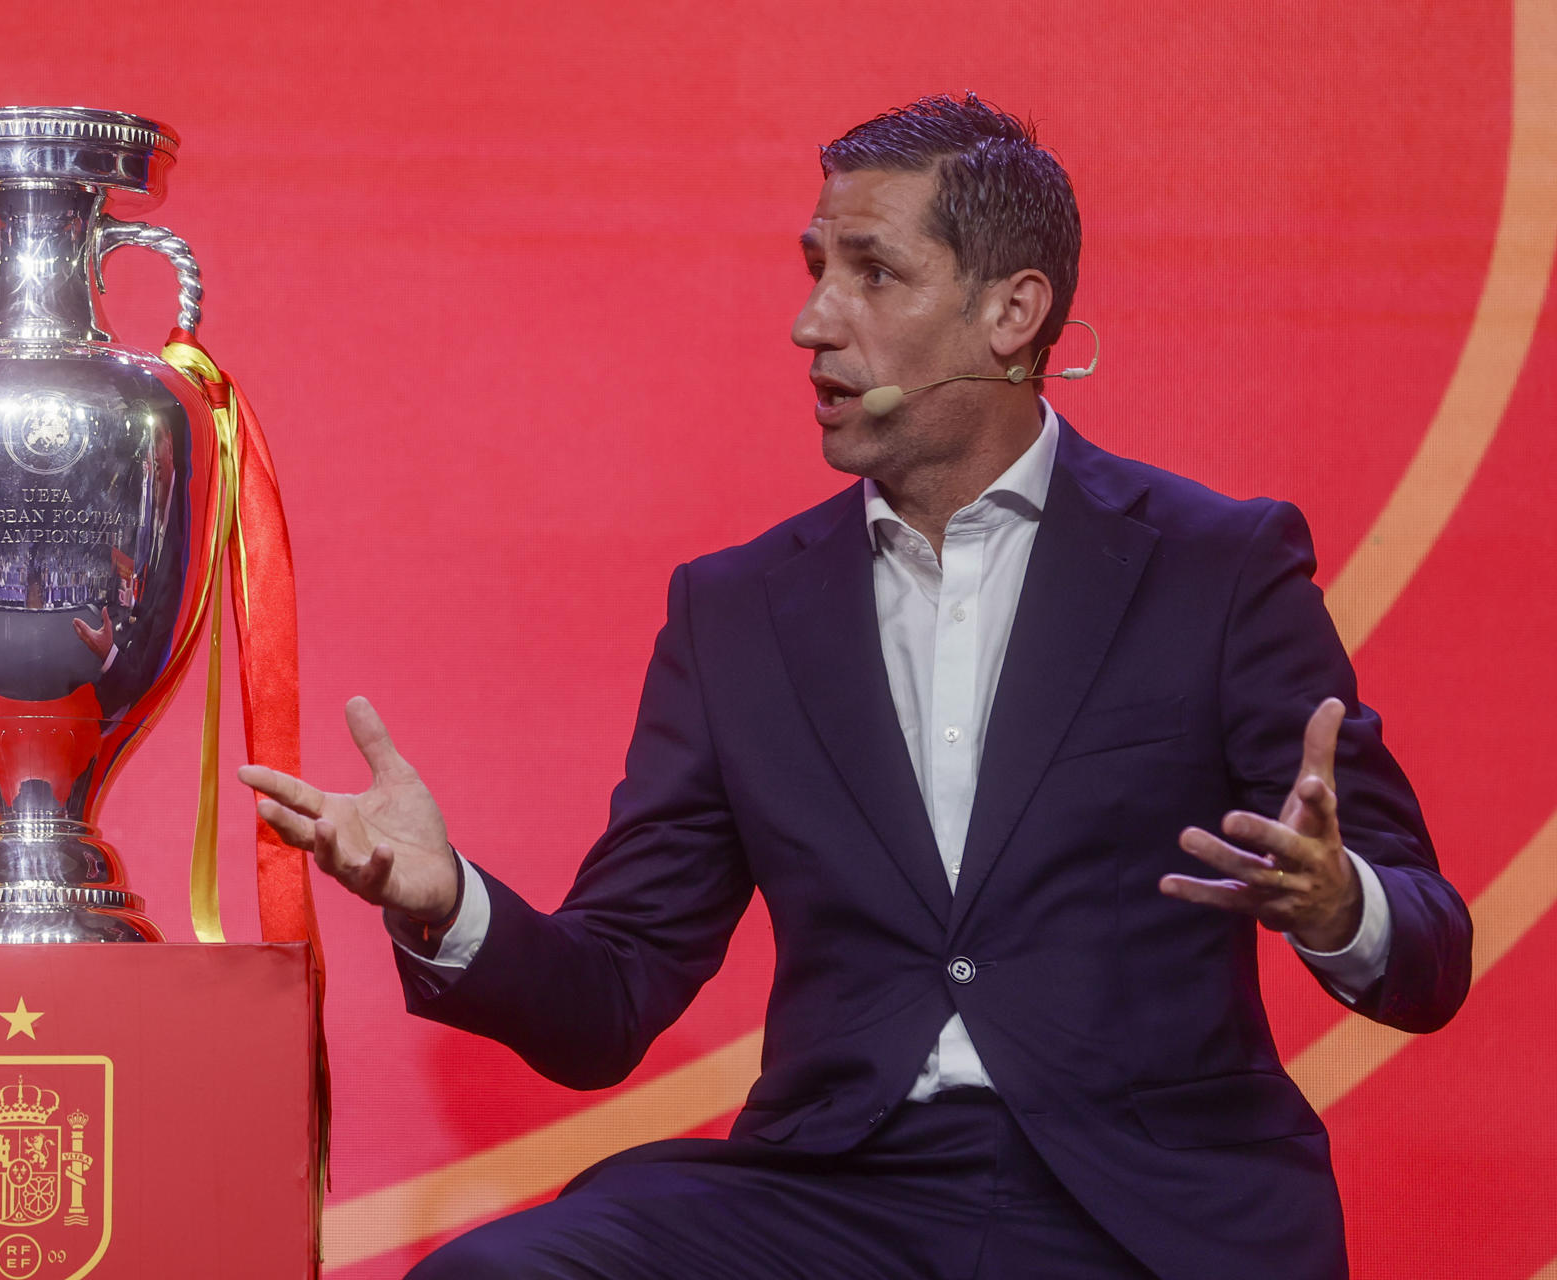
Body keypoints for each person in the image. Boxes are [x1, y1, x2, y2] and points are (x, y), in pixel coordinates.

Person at [240, 94, 1471, 1280]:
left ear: (1012, 312)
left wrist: (1339, 903)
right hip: (835, 1192)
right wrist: (448, 901)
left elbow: (1431, 948)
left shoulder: (1217, 564)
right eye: (816, 266)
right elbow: (608, 995)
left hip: (1142, 1202)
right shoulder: (738, 611)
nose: (813, 322)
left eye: (874, 273)